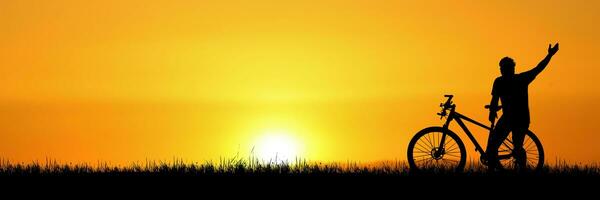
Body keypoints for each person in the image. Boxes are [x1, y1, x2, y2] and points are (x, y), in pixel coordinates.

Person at [486, 43, 559, 171]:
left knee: (496, 145)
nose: (502, 70)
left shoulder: (504, 81)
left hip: (514, 118)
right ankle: (520, 169)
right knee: (516, 147)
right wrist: (550, 55)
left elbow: (494, 99)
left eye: (503, 68)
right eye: (502, 68)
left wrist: (549, 55)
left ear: (509, 69)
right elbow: (538, 68)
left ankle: (499, 167)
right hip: (519, 118)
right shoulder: (518, 79)